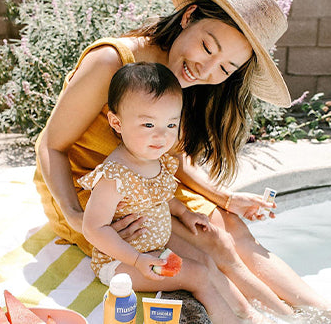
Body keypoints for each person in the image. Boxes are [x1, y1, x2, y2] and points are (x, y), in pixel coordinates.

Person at [34, 0, 331, 318]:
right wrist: (75, 216)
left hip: (146, 179)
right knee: (207, 250)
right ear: (189, 16)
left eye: (225, 67)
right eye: (207, 47)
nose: (206, 69)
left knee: (229, 228)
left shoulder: (191, 79)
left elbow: (170, 157)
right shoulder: (113, 62)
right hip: (89, 190)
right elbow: (50, 145)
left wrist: (225, 198)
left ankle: (318, 312)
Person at [78, 61, 272, 323]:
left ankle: (248, 313)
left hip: (153, 248)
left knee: (206, 260)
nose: (161, 136)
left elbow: (160, 195)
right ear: (116, 122)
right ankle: (236, 321)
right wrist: (136, 260)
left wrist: (185, 213)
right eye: (148, 125)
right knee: (197, 275)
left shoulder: (151, 158)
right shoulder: (114, 176)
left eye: (171, 125)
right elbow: (93, 228)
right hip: (119, 264)